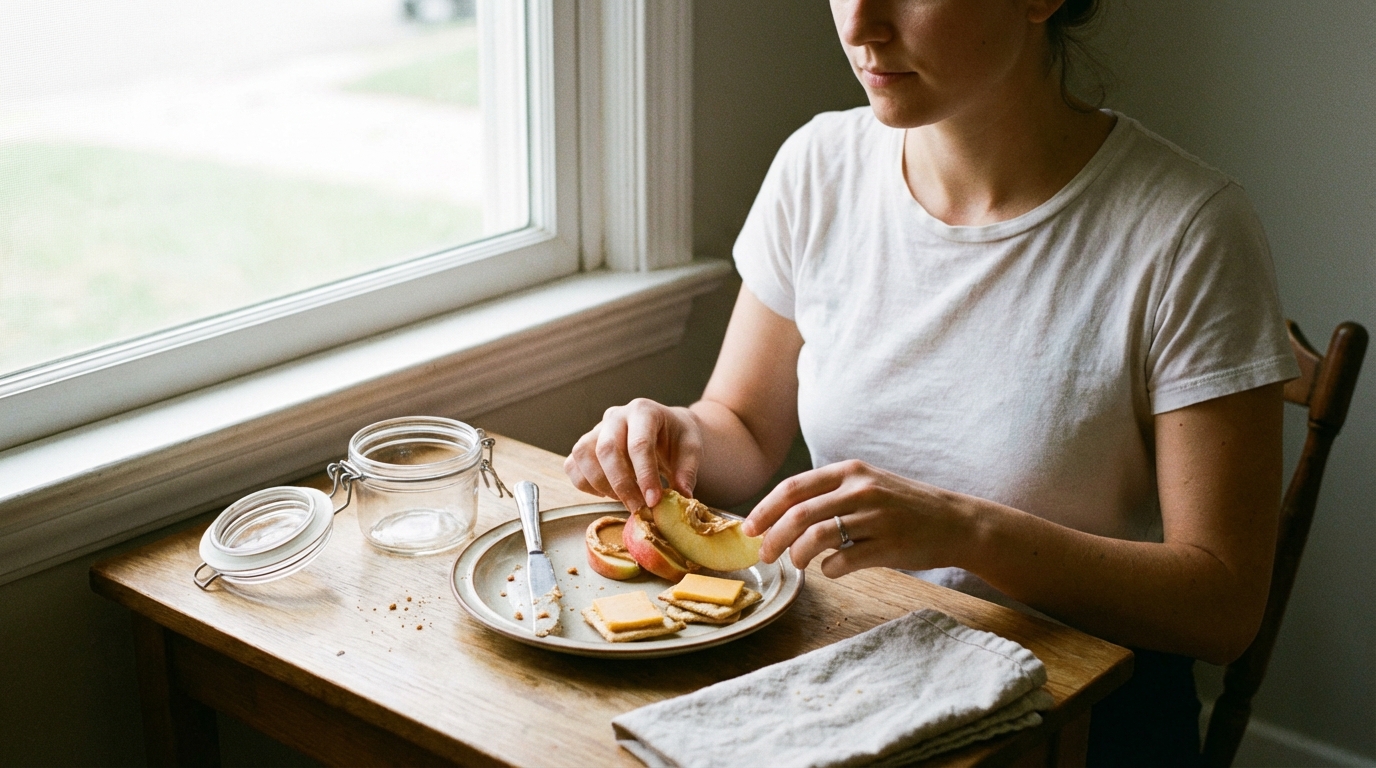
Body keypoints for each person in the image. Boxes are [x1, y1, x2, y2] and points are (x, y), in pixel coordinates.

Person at [564, 1, 1298, 765]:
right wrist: (674, 431)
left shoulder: (1189, 231)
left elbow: (1222, 606)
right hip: (851, 679)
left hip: (1077, 718)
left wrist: (962, 530)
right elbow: (743, 431)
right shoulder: (818, 167)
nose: (859, 25)